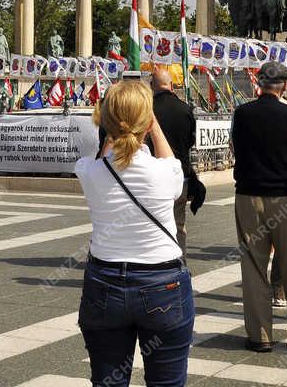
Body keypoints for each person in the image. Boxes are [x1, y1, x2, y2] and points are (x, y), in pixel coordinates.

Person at [75, 79, 194, 386]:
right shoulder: (165, 173)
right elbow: (172, 161)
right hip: (161, 282)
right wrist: (153, 127)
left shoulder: (88, 171)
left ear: (105, 123)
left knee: (108, 381)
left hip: (104, 283)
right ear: (147, 121)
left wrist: (114, 129)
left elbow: (105, 158)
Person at [230, 61, 287, 352]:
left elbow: (234, 147)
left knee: (254, 265)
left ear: (258, 83)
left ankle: (260, 336)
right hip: (286, 197)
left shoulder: (241, 113)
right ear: (283, 85)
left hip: (248, 195)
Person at [150, 68, 198, 255]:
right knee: (178, 222)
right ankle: (180, 260)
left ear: (152, 86)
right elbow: (190, 141)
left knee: (153, 221)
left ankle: (156, 261)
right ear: (171, 85)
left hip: (152, 173)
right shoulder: (185, 109)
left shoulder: (147, 109)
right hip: (179, 174)